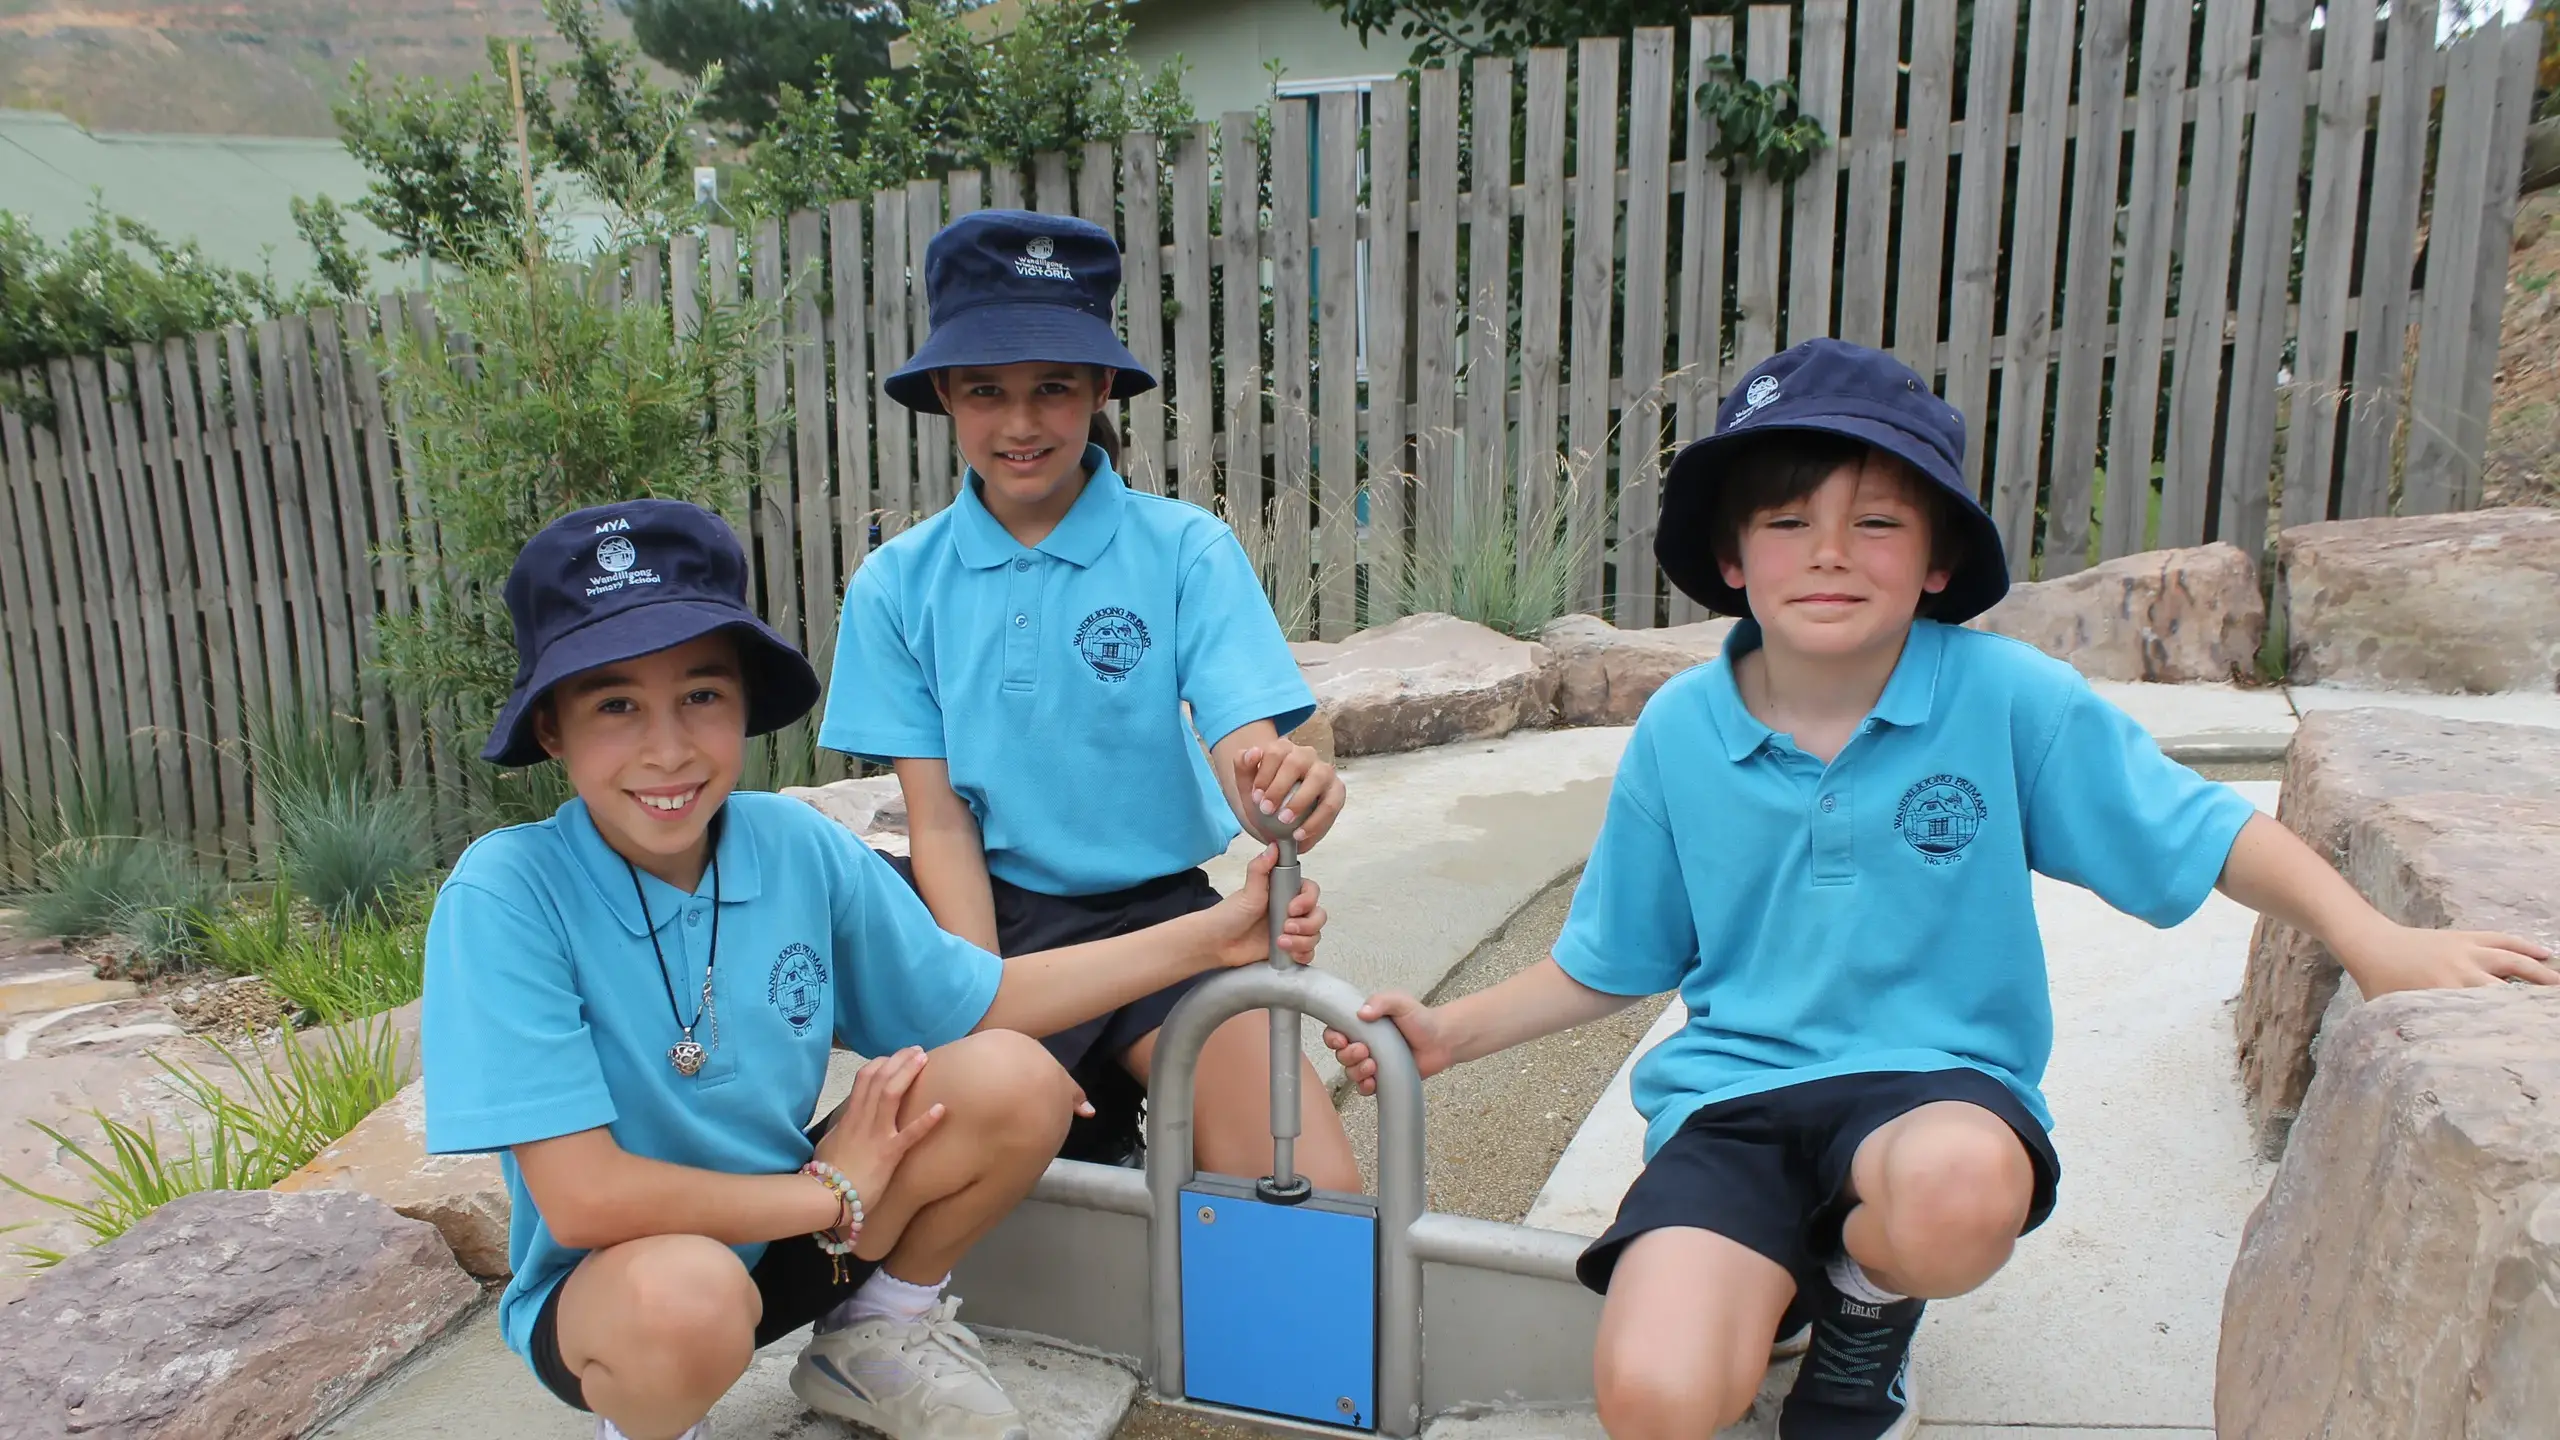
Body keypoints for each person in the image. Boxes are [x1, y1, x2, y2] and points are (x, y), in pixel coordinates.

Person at [1321, 338, 2559, 1440]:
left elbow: (2201, 830)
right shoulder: (1681, 731)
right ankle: (1789, 1279)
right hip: (1736, 1104)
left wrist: (2371, 934)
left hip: (1932, 1093)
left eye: (1875, 523)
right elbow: (1619, 954)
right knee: (1652, 1399)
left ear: (1935, 560)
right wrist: (1447, 1033)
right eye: (1788, 521)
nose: (1827, 555)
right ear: (1729, 557)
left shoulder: (2003, 700)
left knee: (1955, 1197)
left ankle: (1866, 1309)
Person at [420, 498, 1329, 1440]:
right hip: (626, 1285)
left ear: (742, 703)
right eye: (616, 705)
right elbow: (585, 1196)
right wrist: (826, 1191)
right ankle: (651, 1421)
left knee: (1016, 1076)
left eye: (701, 695)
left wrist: (1214, 937)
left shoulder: (794, 847)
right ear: (552, 731)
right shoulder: (508, 893)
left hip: (803, 1233)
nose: (669, 748)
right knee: (681, 1302)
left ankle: (874, 1335)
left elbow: (981, 1001)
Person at [818, 208, 1359, 1190]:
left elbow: (1249, 758)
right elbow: (937, 824)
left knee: (1315, 1197)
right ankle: (1085, 1129)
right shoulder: (896, 587)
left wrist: (1283, 792)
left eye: (1053, 388)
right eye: (986, 390)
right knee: (929, 1180)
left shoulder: (1185, 549)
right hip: (996, 920)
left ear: (1101, 385)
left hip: (1168, 921)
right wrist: (975, 1004)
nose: (1020, 424)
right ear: (944, 391)